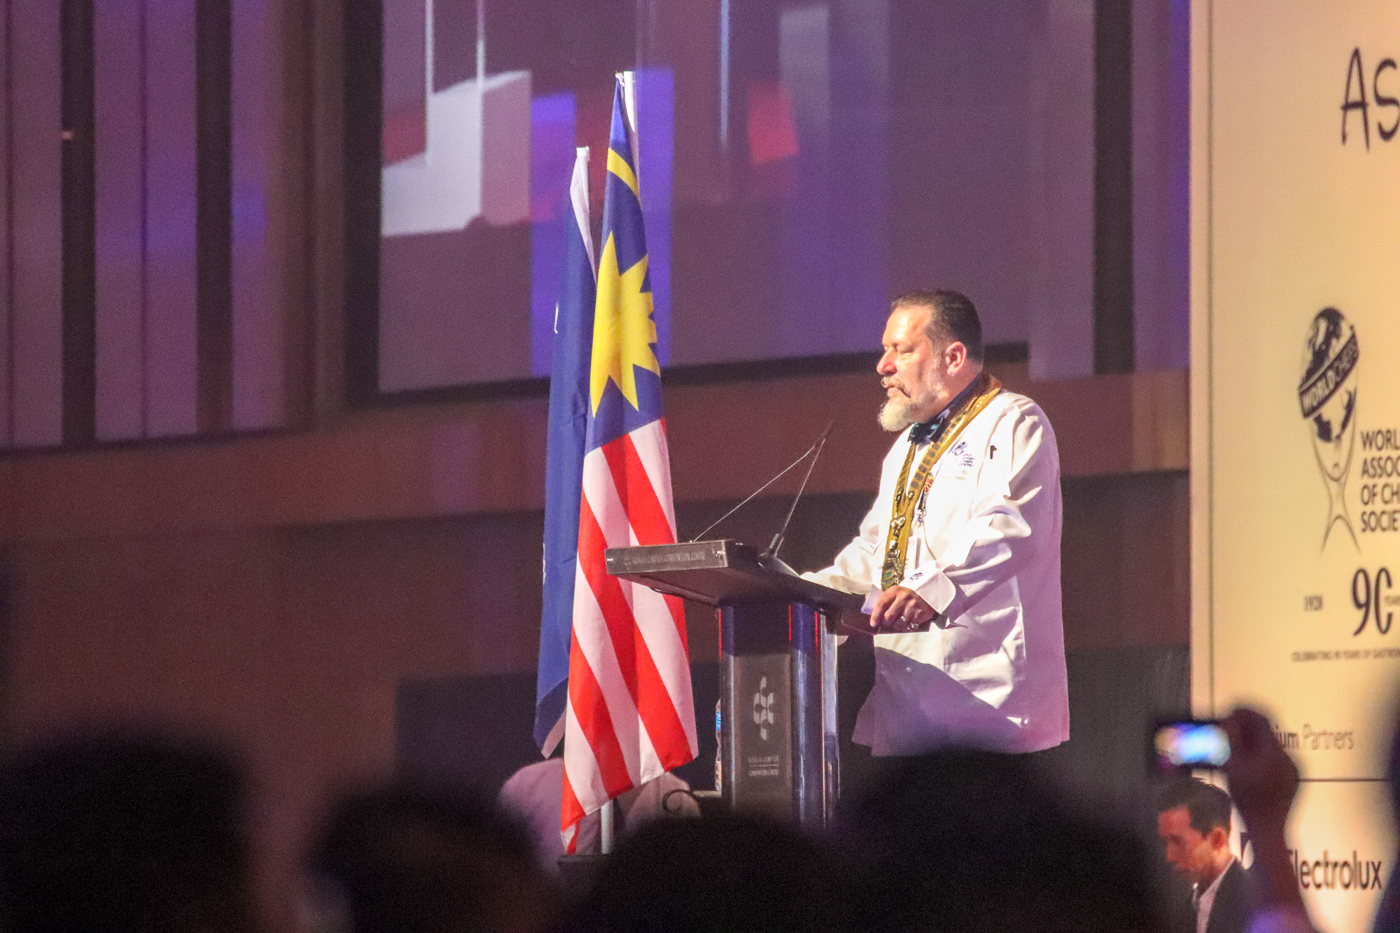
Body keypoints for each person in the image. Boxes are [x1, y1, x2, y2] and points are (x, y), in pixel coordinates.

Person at [804, 289, 1069, 754]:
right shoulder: (910, 445)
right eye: (885, 350)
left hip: (990, 703)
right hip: (908, 700)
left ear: (953, 356)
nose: (883, 366)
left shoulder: (1014, 421)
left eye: (901, 350)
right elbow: (877, 548)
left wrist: (933, 587)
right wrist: (803, 593)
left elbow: (1012, 525)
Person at [1156, 778, 1251, 933]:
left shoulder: (1255, 908)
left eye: (1178, 842)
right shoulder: (1186, 909)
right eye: (1165, 843)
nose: (1169, 856)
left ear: (1217, 839)